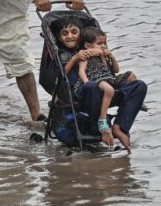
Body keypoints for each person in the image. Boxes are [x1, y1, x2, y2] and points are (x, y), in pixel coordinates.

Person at [56, 19, 148, 150]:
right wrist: (75, 58)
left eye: (74, 32)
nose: (70, 36)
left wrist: (106, 54)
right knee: (91, 86)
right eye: (65, 33)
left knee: (139, 85)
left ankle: (119, 127)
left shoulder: (97, 50)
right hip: (84, 94)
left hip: (106, 87)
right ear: (59, 37)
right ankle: (103, 126)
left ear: (81, 35)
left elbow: (113, 70)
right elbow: (61, 75)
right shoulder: (63, 54)